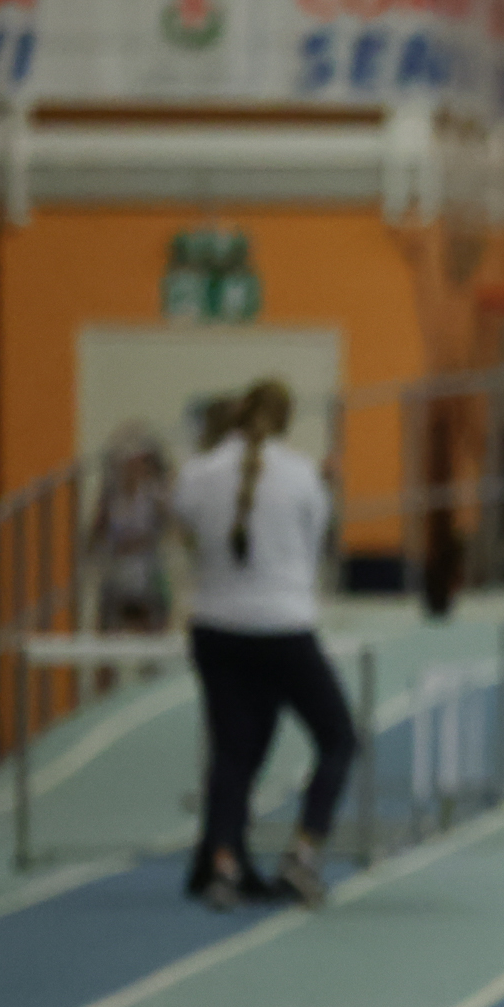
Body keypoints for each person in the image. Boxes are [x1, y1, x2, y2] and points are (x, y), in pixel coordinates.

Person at [171, 379, 356, 912]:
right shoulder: (302, 475)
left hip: (215, 627)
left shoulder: (198, 473)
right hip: (283, 628)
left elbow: (185, 531)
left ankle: (223, 862)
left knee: (232, 751)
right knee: (337, 739)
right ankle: (303, 853)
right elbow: (313, 550)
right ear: (285, 420)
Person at [90, 429, 174, 634]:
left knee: (153, 614)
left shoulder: (153, 495)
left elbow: (167, 528)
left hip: (147, 569)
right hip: (117, 569)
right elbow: (97, 533)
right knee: (108, 617)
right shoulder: (112, 497)